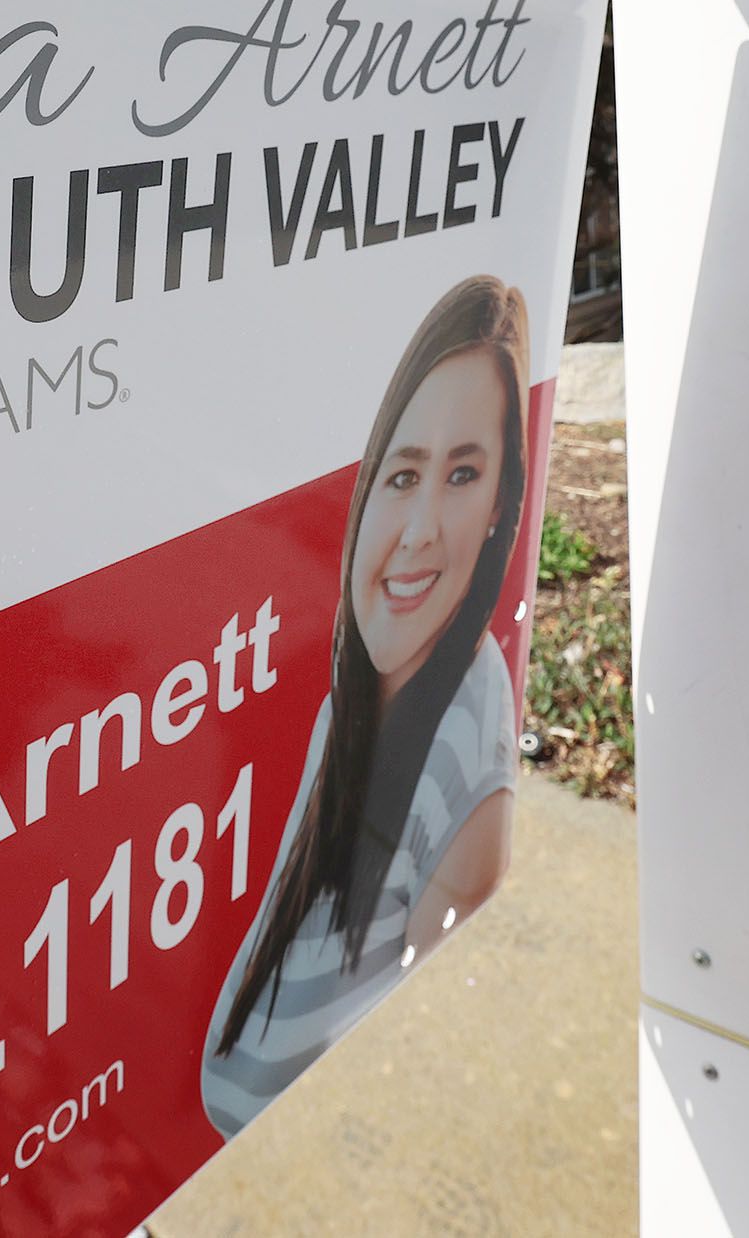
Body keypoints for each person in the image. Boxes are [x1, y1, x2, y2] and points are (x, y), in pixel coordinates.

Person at [199, 275, 531, 1137]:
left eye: (462, 475)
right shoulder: (353, 696)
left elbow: (416, 1100)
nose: (420, 527)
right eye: (404, 473)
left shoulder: (466, 755)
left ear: (500, 506)